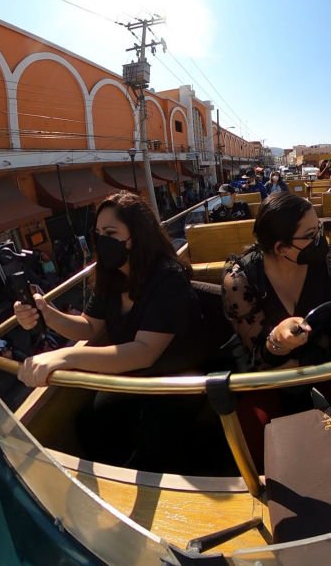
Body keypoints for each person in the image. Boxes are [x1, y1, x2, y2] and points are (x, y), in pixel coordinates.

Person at [13, 191, 221, 468]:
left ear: (137, 235)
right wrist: (46, 313)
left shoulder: (168, 277)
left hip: (179, 376)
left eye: (110, 232)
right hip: (137, 376)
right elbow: (89, 325)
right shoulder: (111, 275)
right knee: (91, 422)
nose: (102, 240)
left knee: (155, 444)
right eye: (98, 232)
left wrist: (66, 357)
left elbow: (144, 352)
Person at [222, 193, 331, 468]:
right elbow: (257, 354)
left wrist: (304, 364)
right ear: (281, 248)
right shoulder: (241, 279)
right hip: (268, 371)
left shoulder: (330, 262)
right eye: (310, 235)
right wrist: (276, 342)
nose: (320, 240)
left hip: (322, 354)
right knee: (256, 443)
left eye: (319, 230)